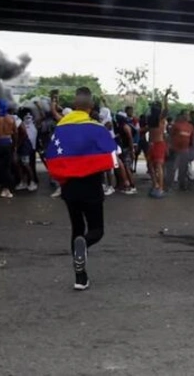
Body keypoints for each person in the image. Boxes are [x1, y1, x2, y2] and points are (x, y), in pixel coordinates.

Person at [46, 87, 118, 291]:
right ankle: (84, 244)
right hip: (91, 187)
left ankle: (80, 277)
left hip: (70, 189)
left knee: (77, 229)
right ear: (91, 106)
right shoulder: (97, 128)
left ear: (75, 105)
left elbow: (51, 155)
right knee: (96, 230)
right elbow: (112, 158)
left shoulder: (61, 127)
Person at [147, 91, 170, 198]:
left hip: (158, 144)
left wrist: (165, 97)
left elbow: (166, 110)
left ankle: (160, 187)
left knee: (158, 165)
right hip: (151, 144)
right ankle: (155, 185)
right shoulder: (151, 118)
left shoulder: (160, 118)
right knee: (150, 165)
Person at [170, 110, 194, 191]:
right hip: (176, 150)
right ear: (182, 116)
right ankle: (169, 185)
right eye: (186, 114)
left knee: (183, 169)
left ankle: (182, 185)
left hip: (185, 150)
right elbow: (170, 136)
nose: (187, 116)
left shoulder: (190, 126)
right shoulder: (176, 125)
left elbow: (192, 139)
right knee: (173, 167)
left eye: (188, 115)